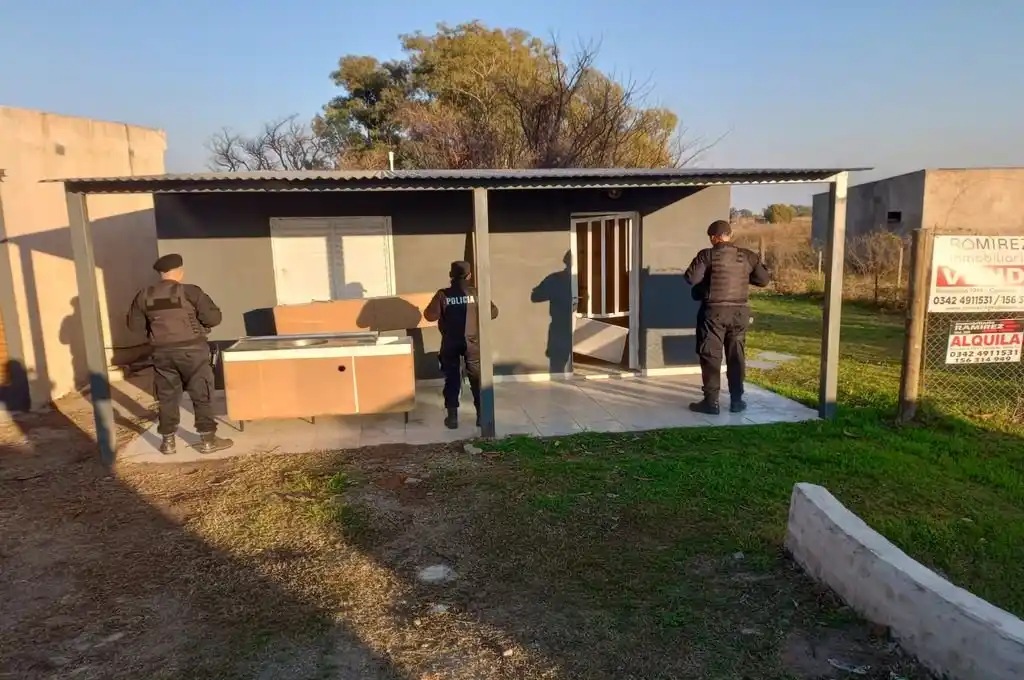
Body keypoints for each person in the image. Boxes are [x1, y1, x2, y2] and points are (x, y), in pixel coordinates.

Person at [126, 254, 233, 455]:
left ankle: (167, 442)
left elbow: (134, 326)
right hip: (193, 353)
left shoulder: (144, 295)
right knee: (202, 395)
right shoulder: (190, 292)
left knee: (167, 397)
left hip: (162, 354)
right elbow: (214, 318)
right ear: (180, 272)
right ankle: (208, 440)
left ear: (161, 274)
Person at [683, 220, 771, 415]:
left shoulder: (707, 255)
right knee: (736, 356)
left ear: (714, 237)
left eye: (711, 237)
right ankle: (737, 401)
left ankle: (711, 402)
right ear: (729, 235)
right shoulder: (748, 256)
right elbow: (763, 280)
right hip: (739, 313)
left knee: (711, 356)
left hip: (714, 313)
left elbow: (691, 279)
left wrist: (706, 282)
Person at [423, 261, 499, 430]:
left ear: (451, 275)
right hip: (473, 343)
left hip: (450, 342)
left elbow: (429, 316)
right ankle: (481, 416)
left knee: (452, 379)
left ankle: (452, 419)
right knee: (477, 378)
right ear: (469, 275)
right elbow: (494, 312)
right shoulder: (477, 293)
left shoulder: (443, 294)